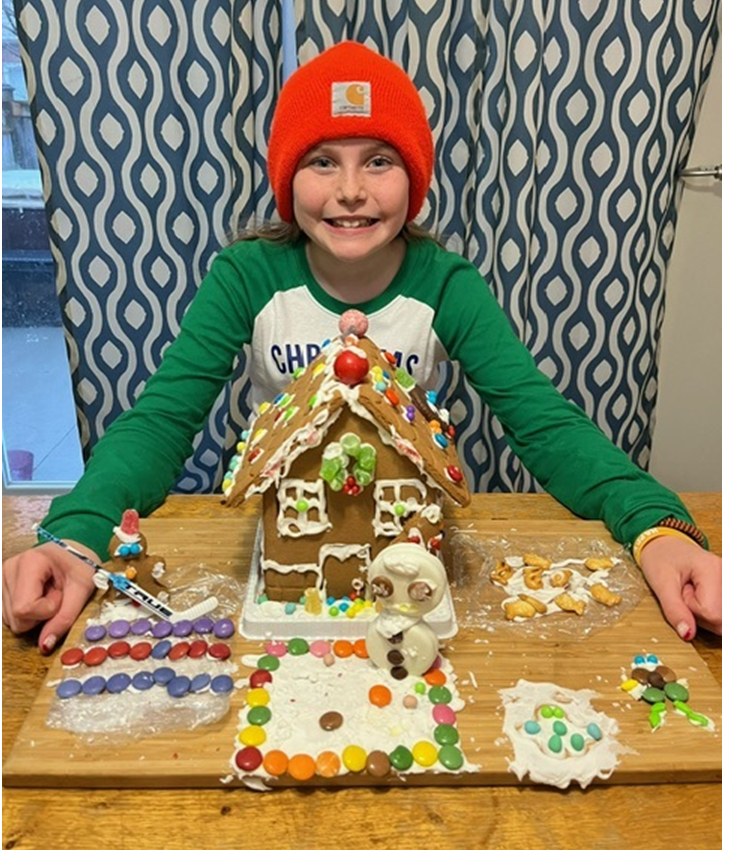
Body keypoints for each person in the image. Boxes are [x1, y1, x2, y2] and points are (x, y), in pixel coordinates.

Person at [2, 42, 721, 652]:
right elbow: (161, 422)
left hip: (405, 562)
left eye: (379, 160)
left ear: (415, 176)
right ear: (287, 179)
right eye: (321, 161)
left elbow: (545, 423)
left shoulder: (446, 285)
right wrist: (75, 536)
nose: (350, 191)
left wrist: (659, 528)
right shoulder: (246, 277)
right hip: (287, 551)